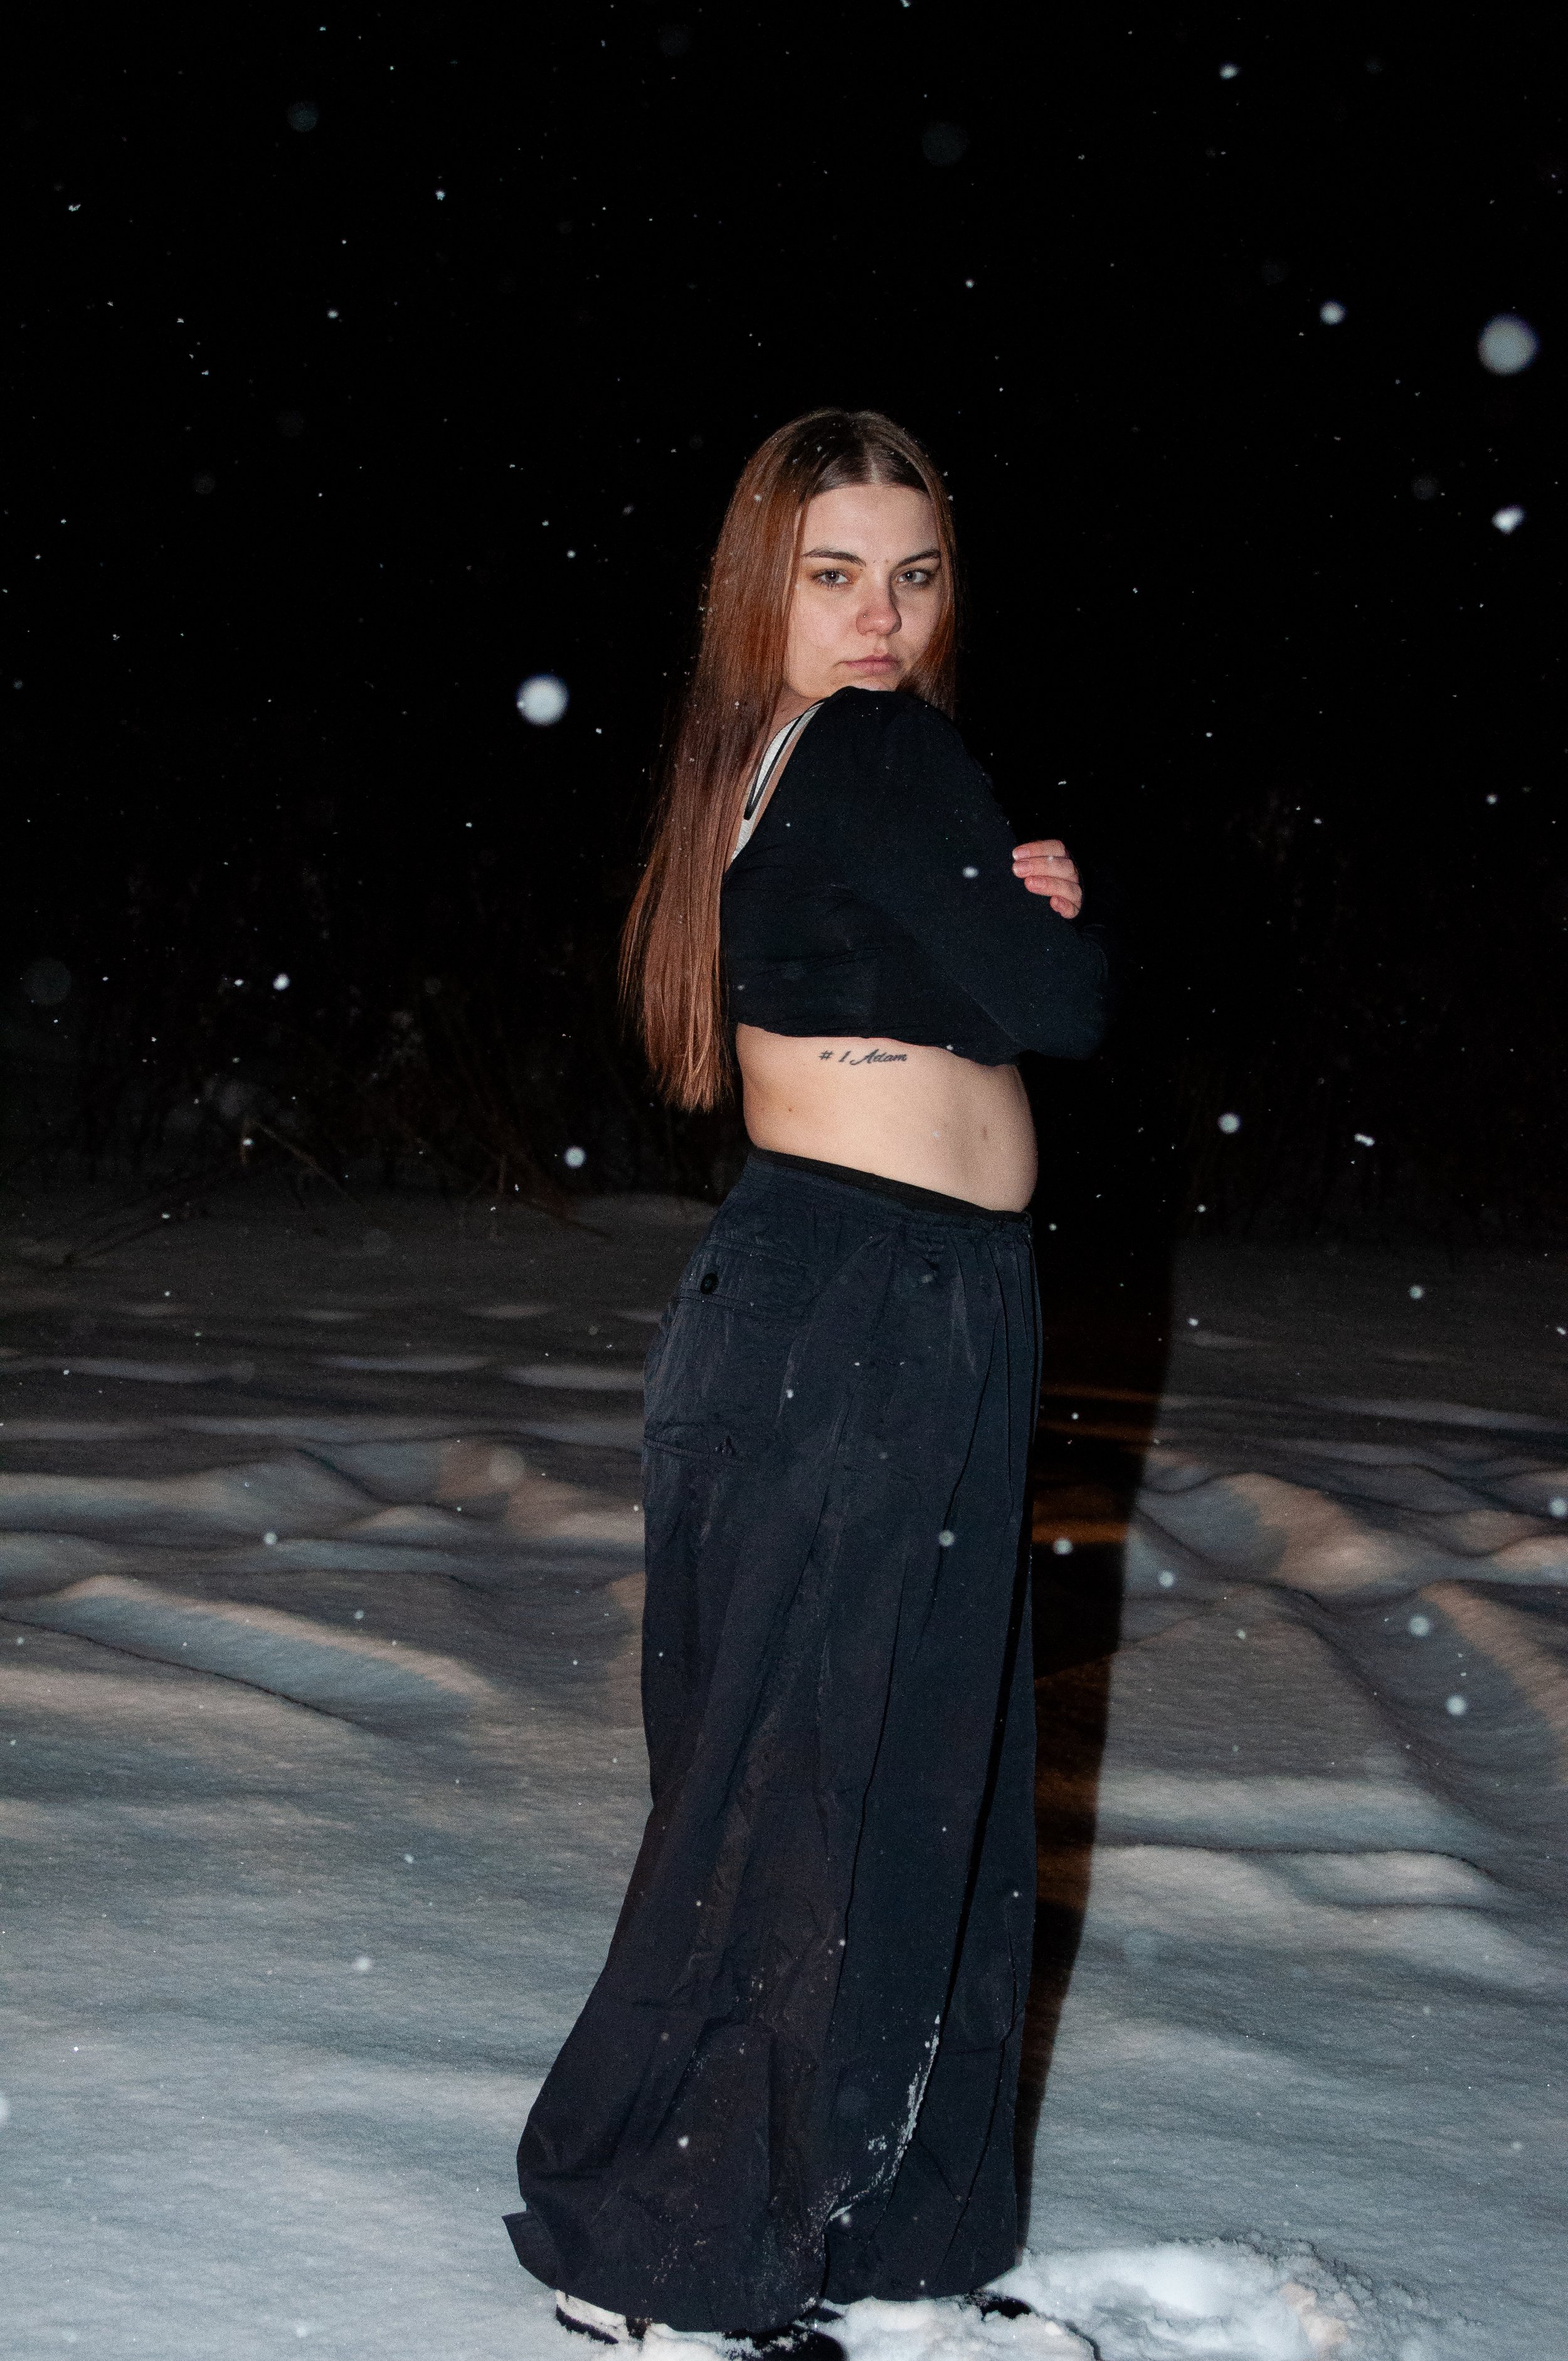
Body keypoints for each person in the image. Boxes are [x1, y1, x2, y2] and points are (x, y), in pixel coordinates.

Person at [506, 408, 1113, 2345]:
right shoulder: (869, 748)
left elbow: (953, 990)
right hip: (867, 1307)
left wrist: (1004, 902)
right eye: (834, 573)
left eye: (914, 576)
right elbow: (1053, 1010)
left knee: (851, 1763)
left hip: (844, 1299)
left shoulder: (769, 766)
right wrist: (1035, 916)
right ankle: (680, 2250)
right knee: (833, 1776)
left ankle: (836, 2224)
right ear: (760, 585)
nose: (878, 616)